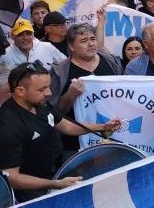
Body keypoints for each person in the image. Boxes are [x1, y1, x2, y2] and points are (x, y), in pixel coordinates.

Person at [0, 62, 120, 202]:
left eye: (48, 87)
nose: (49, 93)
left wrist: (102, 126)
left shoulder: (40, 103)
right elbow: (12, 177)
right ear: (20, 91)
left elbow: (66, 126)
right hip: (34, 191)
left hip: (59, 169)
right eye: (42, 89)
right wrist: (55, 184)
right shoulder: (6, 127)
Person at [49, 23, 123, 151]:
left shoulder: (112, 61)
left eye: (93, 39)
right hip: (76, 145)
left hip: (115, 135)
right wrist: (70, 95)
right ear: (71, 46)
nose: (91, 44)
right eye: (84, 41)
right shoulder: (59, 72)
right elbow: (55, 114)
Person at [0, 19, 66, 70]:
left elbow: (66, 64)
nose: (25, 38)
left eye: (28, 33)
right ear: (12, 36)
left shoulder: (47, 47)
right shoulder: (5, 55)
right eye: (20, 35)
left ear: (33, 34)